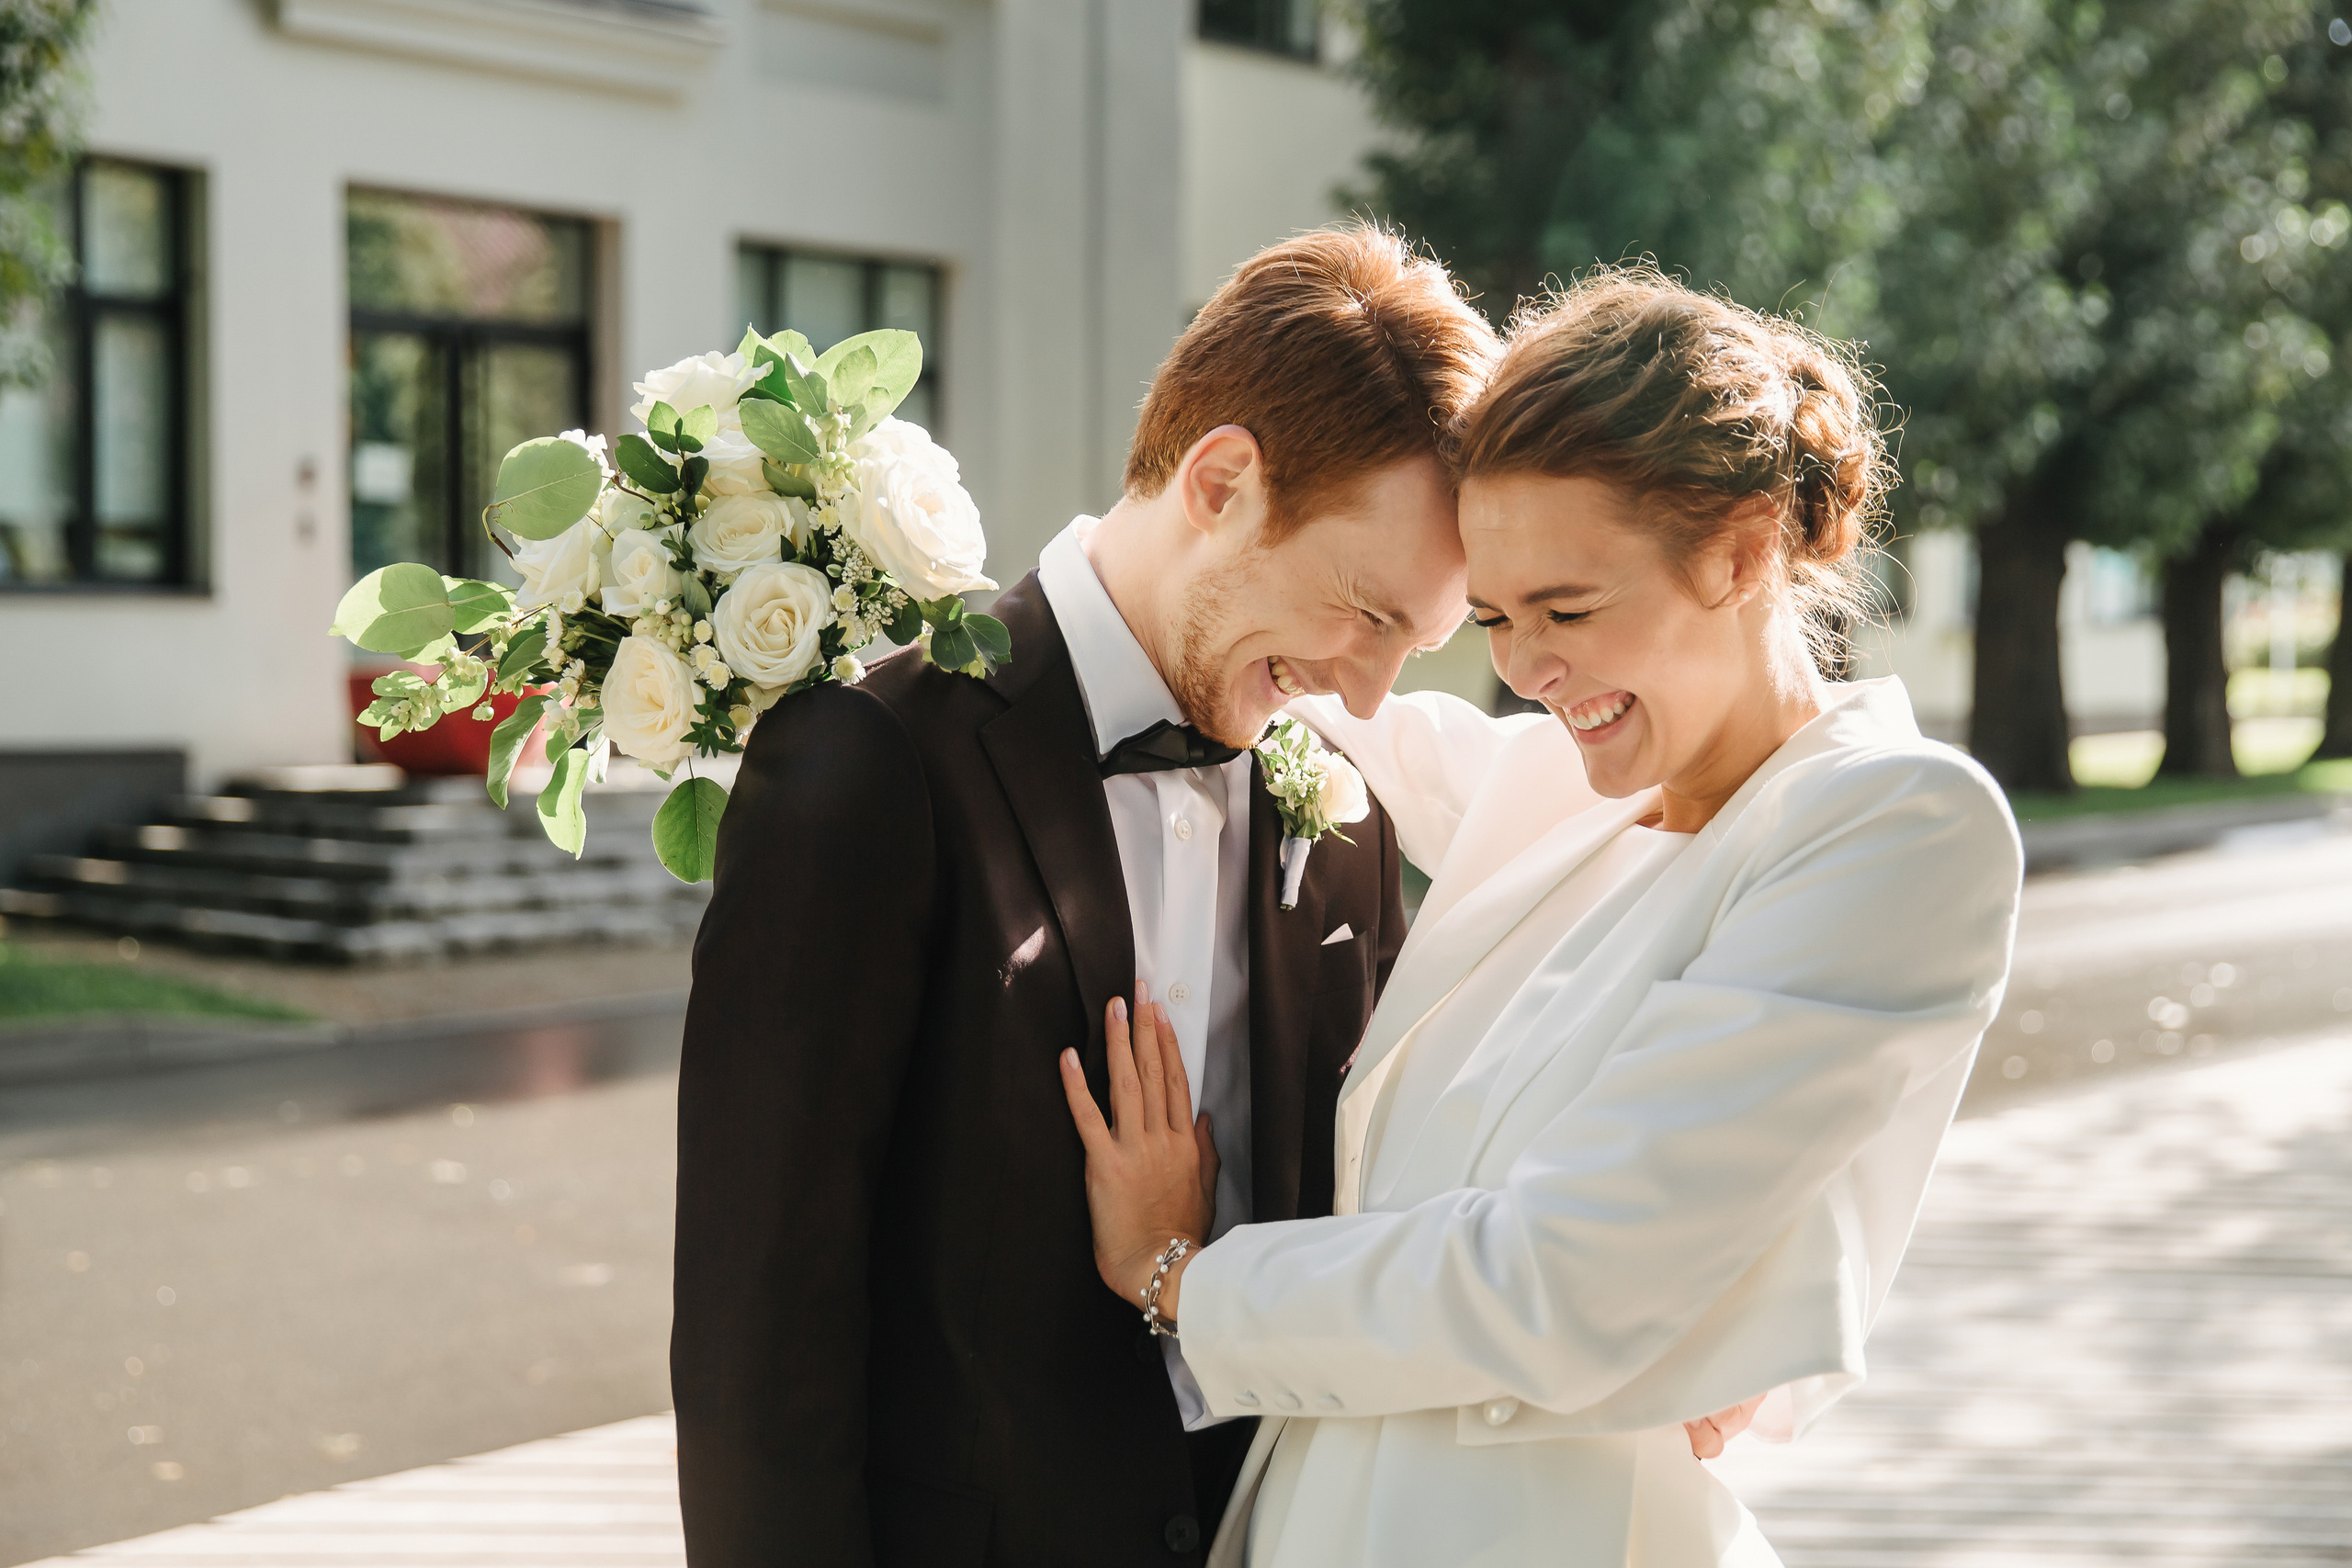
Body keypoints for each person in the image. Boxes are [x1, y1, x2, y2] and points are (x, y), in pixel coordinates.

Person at [1058, 268, 2024, 1566]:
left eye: (1569, 610)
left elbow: (1560, 1284)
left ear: (1739, 552)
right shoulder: (1562, 794)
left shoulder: (1891, 824)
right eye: (1500, 619)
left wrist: (1181, 1277)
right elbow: (1281, 645)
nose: (1525, 671)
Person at [670, 227, 1500, 1566]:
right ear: (1223, 480)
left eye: (1417, 640)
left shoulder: (1343, 814)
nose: (1368, 691)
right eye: (1365, 613)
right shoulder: (871, 764)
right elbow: (757, 1336)